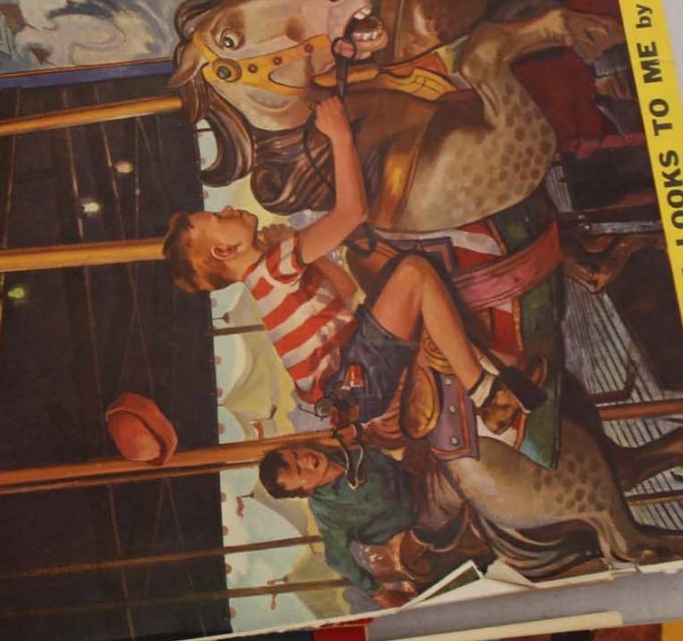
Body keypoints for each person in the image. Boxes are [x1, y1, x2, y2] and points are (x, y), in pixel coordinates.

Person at [161, 95, 542, 426]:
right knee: (414, 272)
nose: (228, 209)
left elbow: (343, 289)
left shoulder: (268, 280)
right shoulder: (274, 268)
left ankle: (493, 360)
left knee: (398, 280)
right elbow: (352, 213)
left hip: (349, 386)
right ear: (224, 251)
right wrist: (340, 136)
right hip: (354, 379)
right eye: (220, 217)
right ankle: (483, 390)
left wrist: (298, 246)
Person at [258, 443, 453, 605]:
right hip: (422, 512)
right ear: (306, 490)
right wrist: (378, 593)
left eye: (296, 454)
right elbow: (336, 559)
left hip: (421, 473)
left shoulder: (343, 453)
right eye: (300, 470)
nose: (306, 459)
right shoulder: (327, 511)